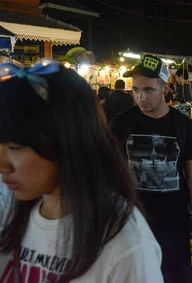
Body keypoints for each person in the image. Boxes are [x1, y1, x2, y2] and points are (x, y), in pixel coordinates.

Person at [0, 58, 163, 282]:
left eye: (14, 147)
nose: (2, 166)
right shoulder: (11, 216)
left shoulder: (126, 243)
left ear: (67, 138)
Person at [110, 54, 192, 283]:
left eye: (148, 90)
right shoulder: (121, 123)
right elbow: (111, 173)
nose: (140, 97)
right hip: (132, 225)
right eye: (135, 90)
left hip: (173, 227)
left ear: (165, 88)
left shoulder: (184, 127)